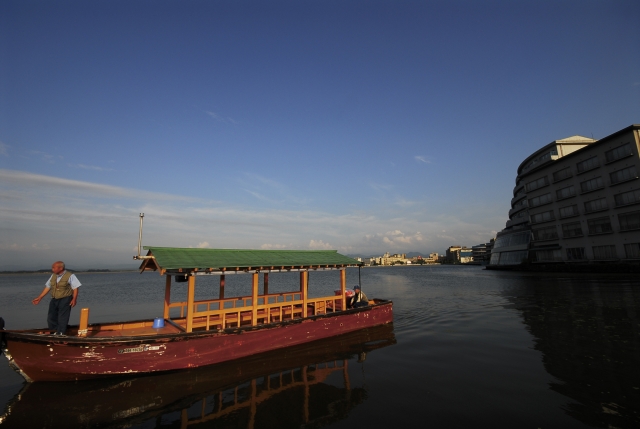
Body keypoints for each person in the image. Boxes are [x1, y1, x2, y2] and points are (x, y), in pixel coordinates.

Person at [32, 261, 81, 336]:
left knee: (62, 317)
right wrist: (39, 298)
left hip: (65, 298)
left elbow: (75, 288)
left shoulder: (70, 275)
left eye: (54, 267)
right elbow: (48, 287)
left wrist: (74, 299)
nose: (52, 269)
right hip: (54, 299)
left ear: (61, 268)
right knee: (51, 317)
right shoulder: (53, 276)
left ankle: (61, 333)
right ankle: (54, 331)